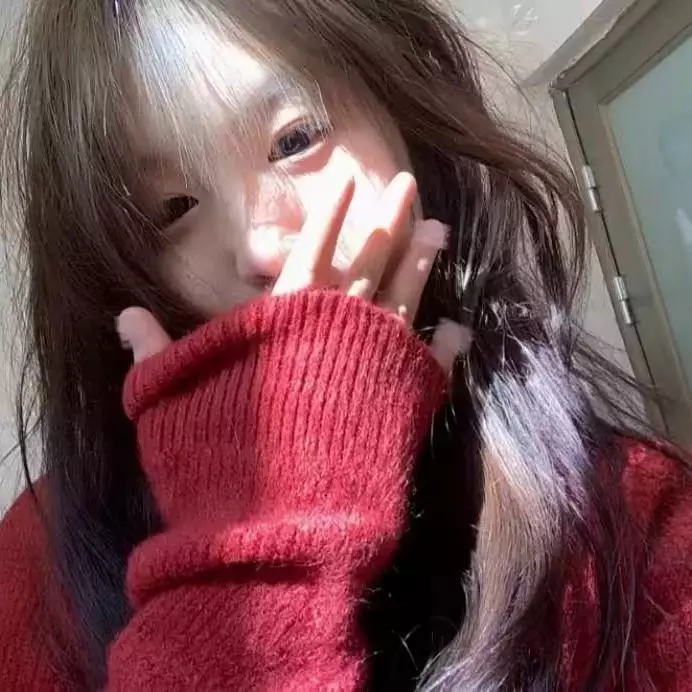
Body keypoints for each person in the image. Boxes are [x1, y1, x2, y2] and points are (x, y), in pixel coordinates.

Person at [0, 0, 690, 689]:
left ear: (406, 118)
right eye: (173, 209)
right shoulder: (40, 562)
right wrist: (260, 557)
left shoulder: (640, 519)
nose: (259, 249)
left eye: (295, 139)